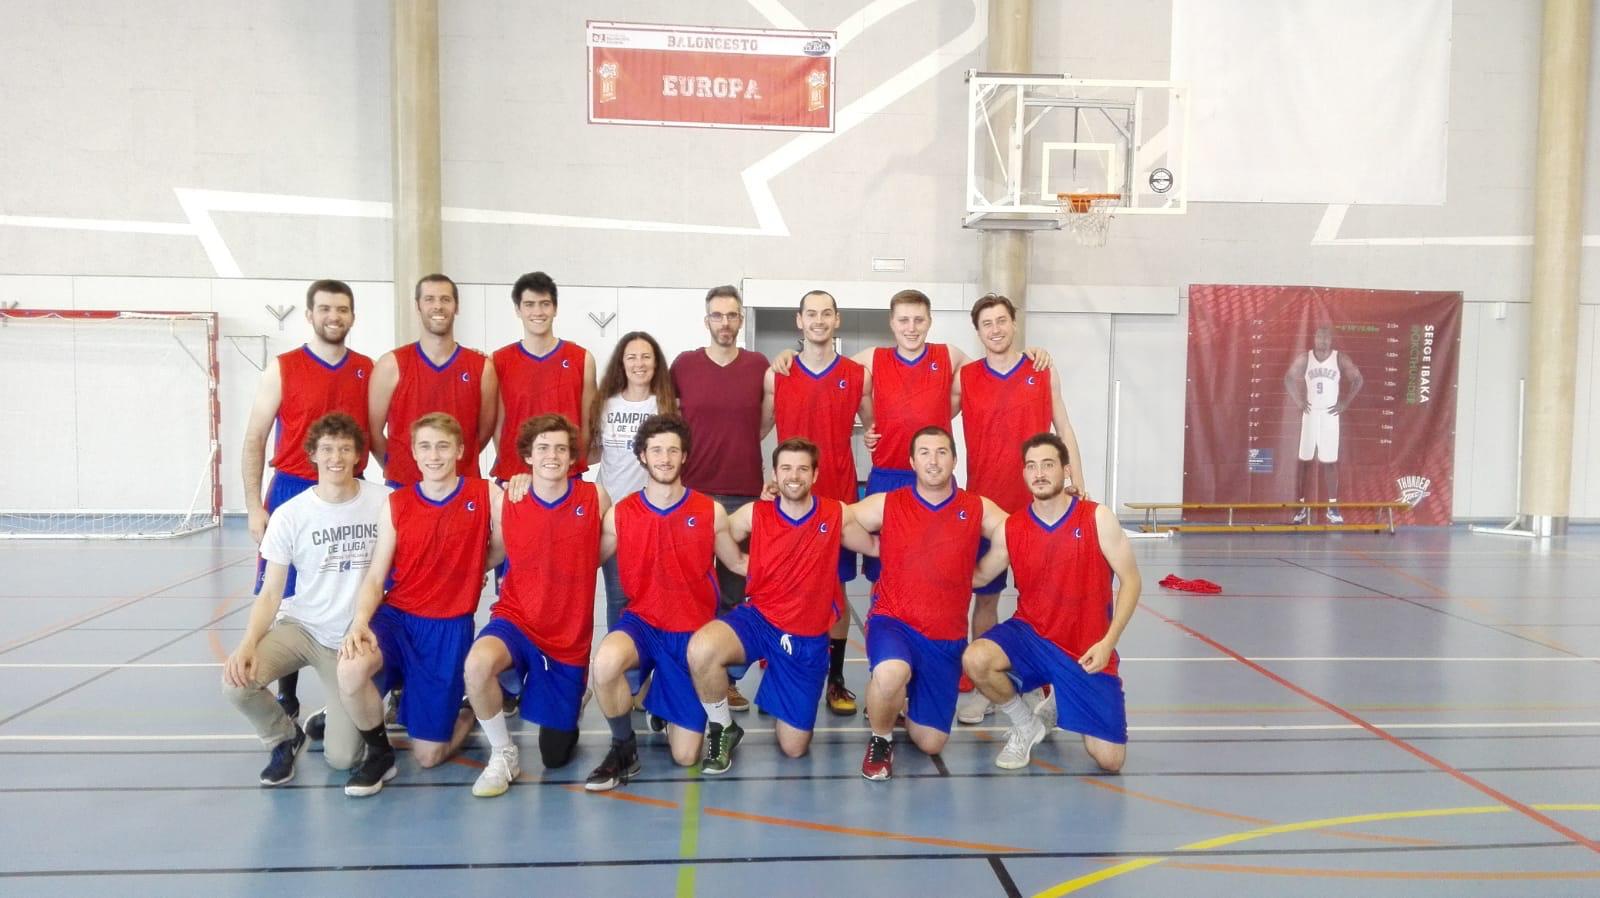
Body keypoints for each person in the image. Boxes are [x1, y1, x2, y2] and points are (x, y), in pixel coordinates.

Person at [686, 438, 878, 774]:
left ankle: (780, 686)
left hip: (806, 636)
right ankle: (722, 727)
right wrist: (743, 563)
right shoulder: (754, 514)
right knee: (702, 648)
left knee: (794, 749)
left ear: (815, 474)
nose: (794, 475)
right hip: (759, 619)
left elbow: (876, 546)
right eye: (786, 468)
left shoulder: (835, 514)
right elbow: (713, 536)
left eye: (803, 468)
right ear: (774, 473)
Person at [336, 413, 497, 797]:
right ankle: (380, 754)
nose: (434, 455)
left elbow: (509, 543)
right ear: (413, 451)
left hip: (446, 629)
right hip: (397, 620)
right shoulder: (398, 503)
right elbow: (376, 577)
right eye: (425, 446)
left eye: (443, 446)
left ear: (459, 450)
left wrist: (477, 565)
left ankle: (466, 709)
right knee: (350, 669)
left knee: (429, 756)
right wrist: (360, 623)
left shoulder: (485, 494)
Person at [222, 413, 388, 785]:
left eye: (345, 449)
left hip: (348, 640)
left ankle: (338, 710)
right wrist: (248, 643)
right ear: (312, 454)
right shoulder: (290, 515)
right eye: (327, 449)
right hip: (301, 626)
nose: (336, 458)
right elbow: (270, 593)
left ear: (359, 456)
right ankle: (283, 736)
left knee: (343, 759)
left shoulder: (383, 502)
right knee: (236, 682)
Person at [962, 433, 1140, 772]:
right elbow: (980, 576)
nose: (1039, 473)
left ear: (1066, 470)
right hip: (1032, 636)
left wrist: (1108, 643)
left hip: (1086, 649)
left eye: (1047, 464)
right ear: (1024, 474)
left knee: (1110, 760)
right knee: (976, 659)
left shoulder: (1096, 517)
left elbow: (1132, 581)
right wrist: (927, 566)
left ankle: (1058, 696)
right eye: (1031, 466)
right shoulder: (1013, 527)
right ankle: (1026, 724)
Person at [584, 415, 743, 792]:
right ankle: (624, 749)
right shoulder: (622, 514)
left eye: (673, 449)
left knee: (686, 756)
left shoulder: (711, 511)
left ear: (684, 455)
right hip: (642, 624)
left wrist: (799, 561)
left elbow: (738, 562)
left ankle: (665, 705)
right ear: (642, 456)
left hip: (691, 635)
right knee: (605, 663)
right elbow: (584, 560)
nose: (665, 457)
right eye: (656, 450)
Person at [239, 279, 372, 723]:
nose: (334, 316)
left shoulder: (367, 370)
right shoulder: (283, 367)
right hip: (293, 489)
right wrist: (255, 506)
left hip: (351, 489)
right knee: (283, 594)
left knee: (352, 589)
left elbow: (379, 436)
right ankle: (288, 696)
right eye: (325, 309)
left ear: (352, 316)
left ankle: (359, 683)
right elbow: (255, 437)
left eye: (342, 309)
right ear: (310, 315)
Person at [847, 426, 1008, 780]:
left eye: (941, 452)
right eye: (924, 453)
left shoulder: (975, 506)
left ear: (954, 459)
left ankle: (902, 703)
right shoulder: (890, 503)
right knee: (891, 673)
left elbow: (1015, 532)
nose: (933, 461)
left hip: (944, 638)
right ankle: (881, 737)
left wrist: (980, 574)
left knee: (930, 742)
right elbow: (840, 519)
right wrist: (873, 547)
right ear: (911, 461)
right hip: (894, 621)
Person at [955, 293, 1087, 725]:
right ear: (978, 332)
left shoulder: (1041, 369)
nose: (995, 329)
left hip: (1040, 511)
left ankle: (1051, 687)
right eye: (986, 324)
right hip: (987, 510)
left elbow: (1064, 428)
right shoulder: (966, 377)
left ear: (1014, 324)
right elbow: (922, 417)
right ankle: (985, 690)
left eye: (1001, 321)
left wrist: (1078, 486)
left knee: (1045, 602)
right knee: (987, 601)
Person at [464, 413, 611, 796]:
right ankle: (503, 753)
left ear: (572, 457)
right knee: (478, 664)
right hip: (516, 619)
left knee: (555, 756)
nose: (552, 455)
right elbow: (497, 551)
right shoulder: (507, 499)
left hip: (566, 638)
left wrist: (578, 565)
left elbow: (609, 545)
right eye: (543, 447)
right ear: (527, 456)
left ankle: (573, 695)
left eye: (561, 448)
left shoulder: (594, 497)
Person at [761, 289, 873, 716]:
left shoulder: (856, 375)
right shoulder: (777, 375)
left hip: (838, 496)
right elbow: (755, 430)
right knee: (782, 587)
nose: (819, 320)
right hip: (788, 498)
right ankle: (780, 675)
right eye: (812, 314)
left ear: (837, 320)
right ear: (799, 320)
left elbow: (877, 426)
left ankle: (837, 678)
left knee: (837, 591)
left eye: (827, 313)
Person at [670, 285, 770, 711]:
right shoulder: (684, 365)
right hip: (693, 494)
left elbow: (764, 422)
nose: (724, 323)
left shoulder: (758, 365)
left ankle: (725, 678)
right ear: (706, 320)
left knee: (734, 591)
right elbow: (673, 421)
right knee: (692, 591)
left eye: (732, 315)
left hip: (743, 494)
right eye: (717, 315)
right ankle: (685, 674)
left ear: (740, 320)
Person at [369, 273, 498, 487]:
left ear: (456, 306)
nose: (438, 306)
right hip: (405, 486)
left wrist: (456, 461)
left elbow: (481, 434)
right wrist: (398, 466)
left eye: (445, 299)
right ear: (418, 306)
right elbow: (373, 432)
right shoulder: (391, 364)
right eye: (429, 299)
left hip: (463, 487)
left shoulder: (482, 368)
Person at [589, 331, 679, 630]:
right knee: (617, 597)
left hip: (652, 515)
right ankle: (620, 667)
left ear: (656, 363)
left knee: (653, 597)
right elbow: (591, 452)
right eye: (632, 357)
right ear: (621, 363)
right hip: (611, 514)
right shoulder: (605, 404)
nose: (639, 363)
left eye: (646, 356)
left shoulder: (666, 406)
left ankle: (647, 663)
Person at [489, 271, 596, 483]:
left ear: (555, 308)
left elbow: (588, 425)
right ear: (518, 310)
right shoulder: (498, 361)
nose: (537, 311)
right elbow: (497, 427)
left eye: (545, 304)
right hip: (515, 477)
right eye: (529, 304)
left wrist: (565, 465)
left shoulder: (581, 359)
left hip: (566, 477)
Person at [1285, 324, 1364, 523]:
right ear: (1314, 338)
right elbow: (1288, 378)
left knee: (1329, 461)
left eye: (1326, 338)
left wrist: (1345, 403)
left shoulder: (1339, 358)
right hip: (1310, 413)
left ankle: (1333, 507)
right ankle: (1301, 506)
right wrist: (1298, 401)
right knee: (1304, 461)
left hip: (1330, 415)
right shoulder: (1305, 358)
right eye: (1320, 337)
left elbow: (1358, 379)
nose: (1323, 341)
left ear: (1331, 340)